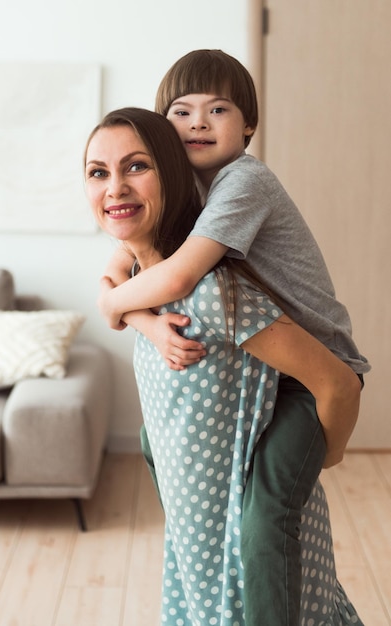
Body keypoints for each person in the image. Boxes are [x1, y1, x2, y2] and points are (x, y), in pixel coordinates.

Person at [96, 51, 370, 625]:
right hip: (272, 367)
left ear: (248, 125)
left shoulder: (243, 180)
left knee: (267, 516)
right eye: (182, 110)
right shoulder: (186, 192)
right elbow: (119, 268)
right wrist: (140, 319)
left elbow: (178, 279)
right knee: (156, 441)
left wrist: (116, 307)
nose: (198, 122)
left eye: (217, 109)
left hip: (313, 373)